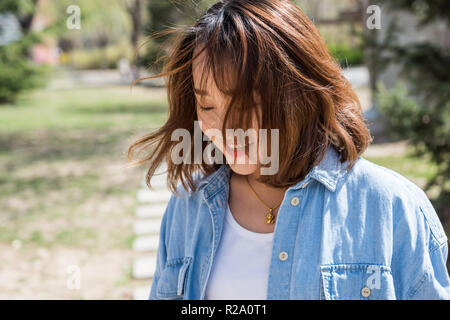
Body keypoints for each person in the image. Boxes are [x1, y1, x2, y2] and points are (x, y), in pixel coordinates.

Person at [128, 0, 450, 299]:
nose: (224, 129)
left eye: (244, 104)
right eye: (207, 104)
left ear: (298, 93)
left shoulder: (394, 209)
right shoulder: (188, 206)